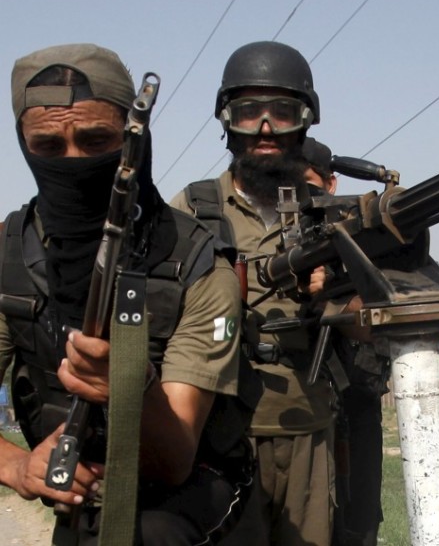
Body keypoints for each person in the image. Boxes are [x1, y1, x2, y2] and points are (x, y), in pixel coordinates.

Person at [0, 43, 257, 544]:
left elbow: (174, 460)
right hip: (80, 498)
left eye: (97, 140)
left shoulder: (199, 266)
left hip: (188, 503)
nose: (74, 161)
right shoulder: (9, 257)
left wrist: (129, 387)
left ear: (132, 143)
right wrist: (17, 466)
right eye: (49, 146)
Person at [170, 41, 339, 545]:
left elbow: (379, 306)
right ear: (227, 122)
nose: (265, 129)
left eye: (282, 113)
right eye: (248, 114)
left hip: (310, 428)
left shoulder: (330, 215)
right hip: (218, 437)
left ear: (304, 123)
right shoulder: (191, 210)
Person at [300, 137, 439, 546]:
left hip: (358, 407)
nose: (306, 197)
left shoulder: (361, 238)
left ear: (332, 184)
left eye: (311, 184)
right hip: (299, 411)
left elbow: (394, 301)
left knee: (360, 523)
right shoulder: (273, 241)